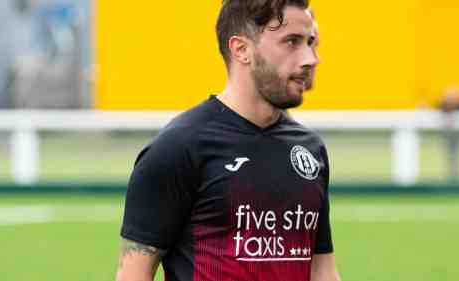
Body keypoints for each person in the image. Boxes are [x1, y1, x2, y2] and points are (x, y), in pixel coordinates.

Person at [116, 1, 341, 281]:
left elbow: (322, 271)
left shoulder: (310, 151)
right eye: (292, 42)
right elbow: (133, 275)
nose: (310, 58)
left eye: (311, 42)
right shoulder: (178, 148)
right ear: (241, 49)